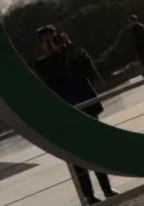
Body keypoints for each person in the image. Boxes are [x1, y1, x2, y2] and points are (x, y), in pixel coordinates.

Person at [35, 25, 116, 203]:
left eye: (53, 39)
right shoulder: (42, 64)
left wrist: (71, 49)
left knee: (96, 149)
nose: (51, 44)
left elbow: (88, 70)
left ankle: (107, 188)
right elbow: (52, 83)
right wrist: (56, 56)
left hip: (86, 106)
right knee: (77, 155)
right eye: (47, 42)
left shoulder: (71, 53)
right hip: (67, 114)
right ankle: (88, 195)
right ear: (41, 45)